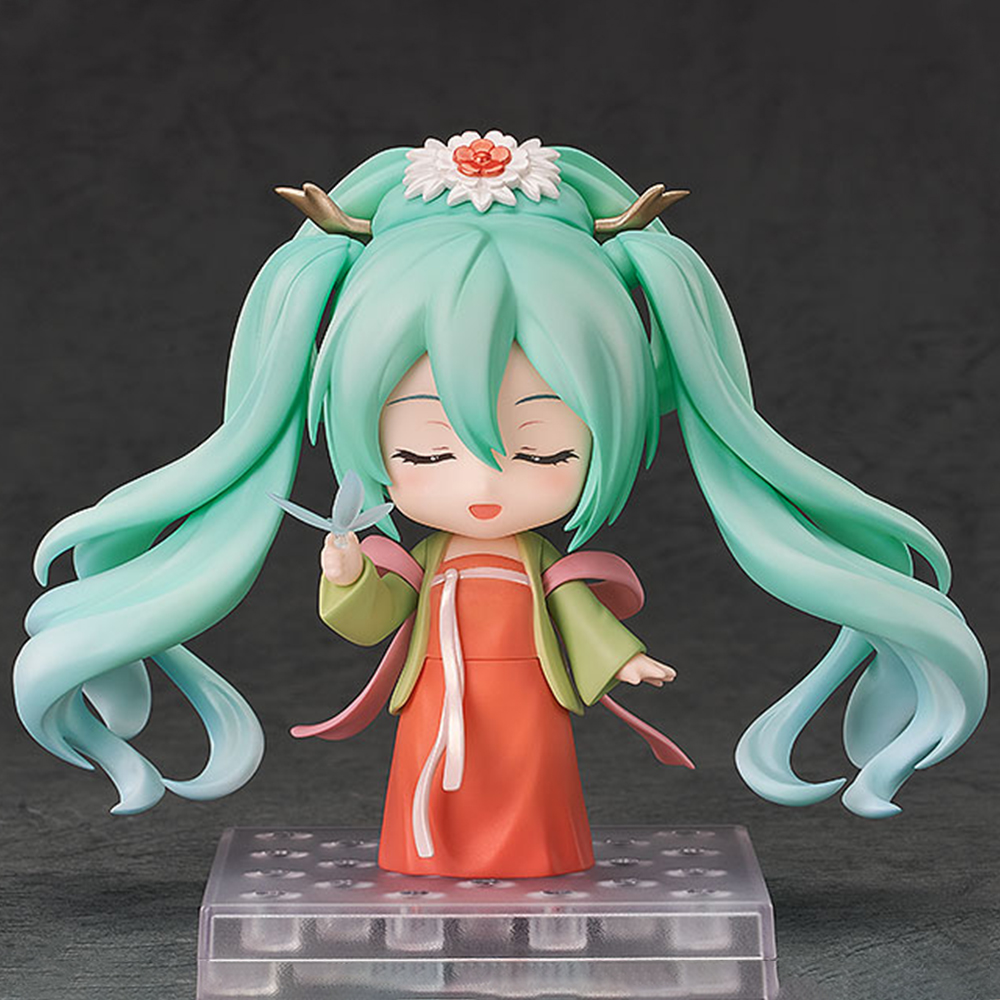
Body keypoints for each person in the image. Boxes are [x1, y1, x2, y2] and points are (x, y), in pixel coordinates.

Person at [14, 132, 986, 869]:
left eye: (548, 450)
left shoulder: (539, 564)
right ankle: (429, 865)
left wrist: (625, 658)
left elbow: (575, 613)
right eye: (423, 450)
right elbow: (370, 621)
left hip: (526, 699)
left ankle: (536, 863)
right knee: (428, 807)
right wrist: (347, 569)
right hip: (435, 695)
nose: (482, 486)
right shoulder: (421, 556)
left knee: (530, 795)